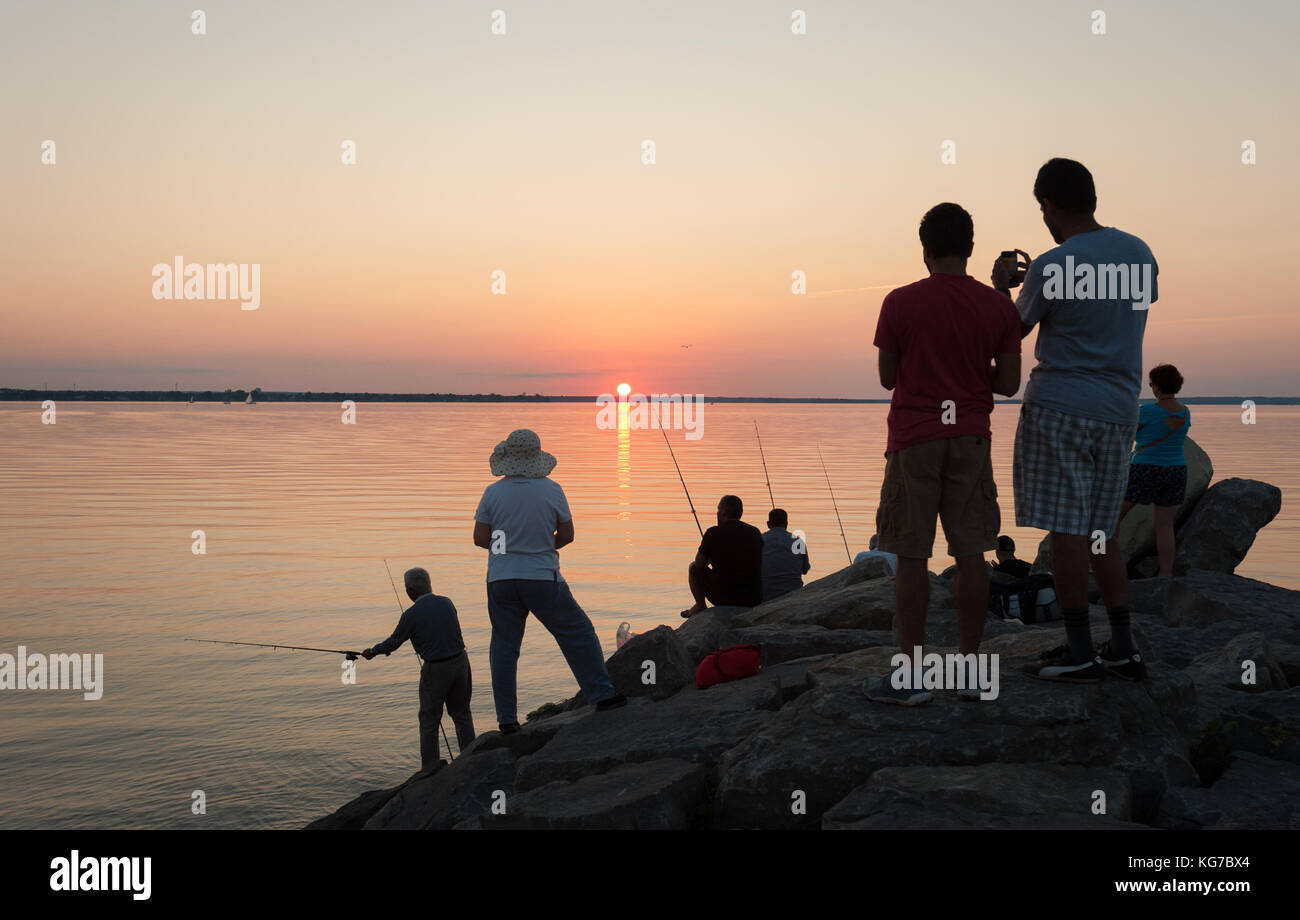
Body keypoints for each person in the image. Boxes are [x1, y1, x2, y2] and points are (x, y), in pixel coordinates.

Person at [993, 158, 1158, 683]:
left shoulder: (1051, 264)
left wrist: (1001, 288)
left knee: (1066, 536)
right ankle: (1124, 647)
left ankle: (1080, 650)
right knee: (1101, 533)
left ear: (1051, 205)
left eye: (1042, 207)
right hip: (1119, 412)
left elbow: (1007, 334)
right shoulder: (1139, 254)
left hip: (1060, 407)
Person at [868, 202, 1022, 705]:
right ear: (971, 248)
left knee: (911, 556)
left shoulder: (899, 303)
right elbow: (1008, 383)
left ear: (925, 250)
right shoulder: (999, 306)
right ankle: (972, 671)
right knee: (971, 552)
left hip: (915, 440)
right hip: (971, 438)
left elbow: (888, 378)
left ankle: (912, 675)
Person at [472, 428, 625, 733]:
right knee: (577, 633)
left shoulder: (493, 492)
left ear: (508, 460)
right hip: (542, 577)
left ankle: (507, 720)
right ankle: (602, 695)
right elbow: (567, 535)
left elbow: (480, 538)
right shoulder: (552, 489)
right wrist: (539, 548)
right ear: (537, 459)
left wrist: (509, 549)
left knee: (504, 647)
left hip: (501, 578)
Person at [361, 567, 475, 770]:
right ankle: (471, 757)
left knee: (429, 720)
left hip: (436, 669)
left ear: (410, 591)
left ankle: (430, 768)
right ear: (429, 585)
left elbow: (394, 642)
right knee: (462, 713)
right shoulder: (447, 602)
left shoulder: (411, 615)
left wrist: (373, 651)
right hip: (461, 662)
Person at [1118, 364, 1190, 578]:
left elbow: (1126, 434)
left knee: (1112, 518)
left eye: (1151, 383)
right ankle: (1165, 574)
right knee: (1165, 526)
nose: (1150, 387)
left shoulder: (1148, 411)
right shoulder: (1185, 412)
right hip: (1176, 471)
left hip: (1145, 468)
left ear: (1157, 386)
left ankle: (1098, 562)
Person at [682, 495, 764, 617]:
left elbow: (699, 563)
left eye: (718, 509)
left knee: (693, 568)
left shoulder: (713, 533)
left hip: (725, 598)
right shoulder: (755, 532)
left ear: (724, 512)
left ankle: (700, 606)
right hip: (753, 598)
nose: (717, 513)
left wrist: (710, 558)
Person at [761, 508, 810, 602]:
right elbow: (805, 570)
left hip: (766, 595)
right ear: (786, 523)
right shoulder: (798, 542)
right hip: (794, 594)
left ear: (768, 524)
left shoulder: (759, 540)